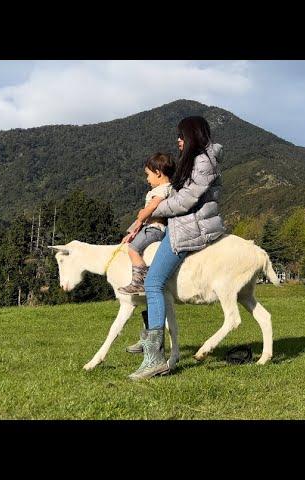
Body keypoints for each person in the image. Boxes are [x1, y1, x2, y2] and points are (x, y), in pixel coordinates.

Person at [126, 116, 226, 380]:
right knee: (152, 280)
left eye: (181, 135)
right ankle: (148, 342)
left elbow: (186, 201)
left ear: (192, 135)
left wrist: (153, 210)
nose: (178, 140)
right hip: (179, 225)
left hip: (189, 229)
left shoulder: (203, 162)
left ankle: (155, 358)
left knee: (153, 284)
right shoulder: (197, 160)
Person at [118, 153, 175, 295]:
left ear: (158, 173)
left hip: (154, 229)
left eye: (148, 175)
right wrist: (132, 232)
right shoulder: (168, 187)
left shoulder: (162, 189)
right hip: (152, 228)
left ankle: (140, 282)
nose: (147, 179)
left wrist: (143, 213)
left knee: (133, 249)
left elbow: (153, 206)